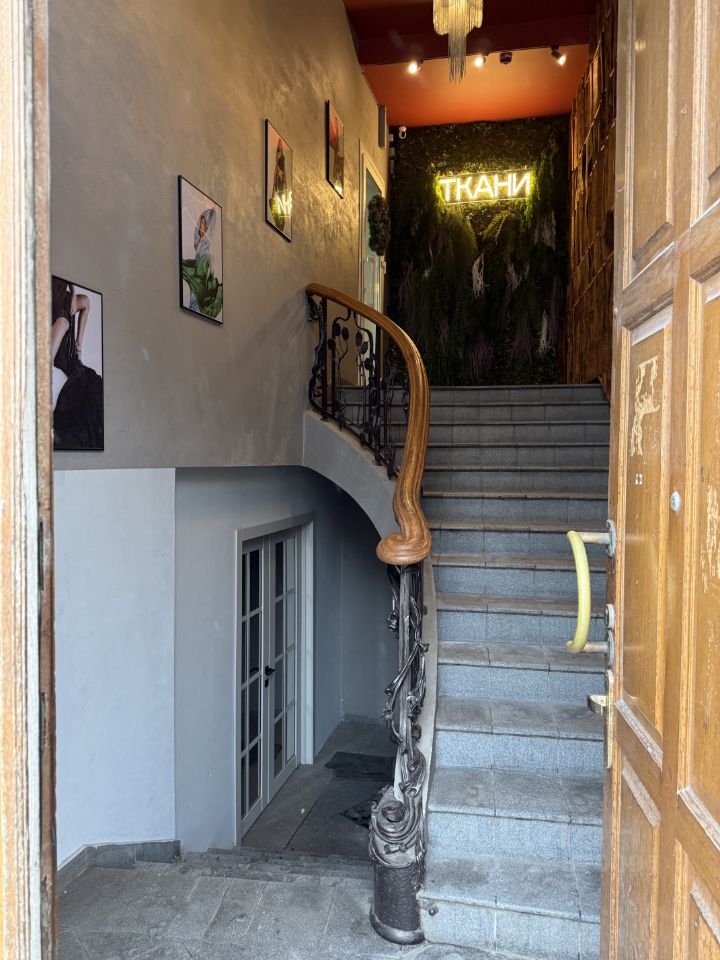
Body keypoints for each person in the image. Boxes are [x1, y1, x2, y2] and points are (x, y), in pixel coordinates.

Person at [52, 277, 104, 450]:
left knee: (93, 386)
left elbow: (86, 302)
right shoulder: (62, 321)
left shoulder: (69, 301)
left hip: (62, 299)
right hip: (62, 362)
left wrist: (78, 343)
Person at [182, 206, 223, 319]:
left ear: (207, 225)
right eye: (200, 224)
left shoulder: (207, 242)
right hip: (198, 273)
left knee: (198, 295)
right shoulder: (199, 241)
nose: (201, 226)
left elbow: (206, 260)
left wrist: (200, 268)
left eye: (204, 224)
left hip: (202, 275)